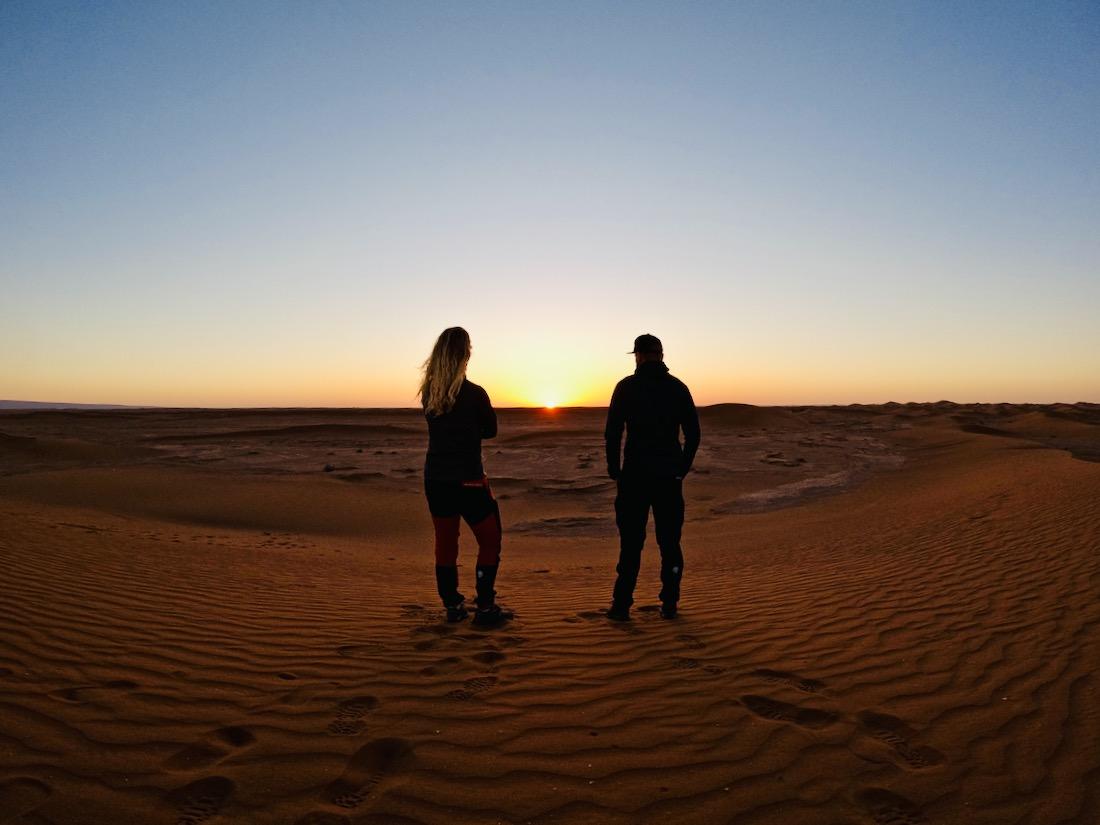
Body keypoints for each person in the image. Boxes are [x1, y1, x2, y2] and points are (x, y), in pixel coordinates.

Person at [604, 334, 700, 621]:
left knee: (631, 545)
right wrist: (681, 468)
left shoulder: (626, 387)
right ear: (660, 354)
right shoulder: (678, 388)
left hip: (635, 476)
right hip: (668, 477)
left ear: (639, 356)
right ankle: (669, 604)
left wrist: (614, 468)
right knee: (670, 543)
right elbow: (693, 434)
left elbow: (613, 432)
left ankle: (621, 606)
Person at [419, 327, 509, 626]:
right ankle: (484, 607)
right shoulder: (474, 393)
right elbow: (491, 430)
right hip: (468, 479)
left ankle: (453, 605)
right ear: (465, 354)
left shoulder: (430, 392)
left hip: (436, 479)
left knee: (446, 542)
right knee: (490, 540)